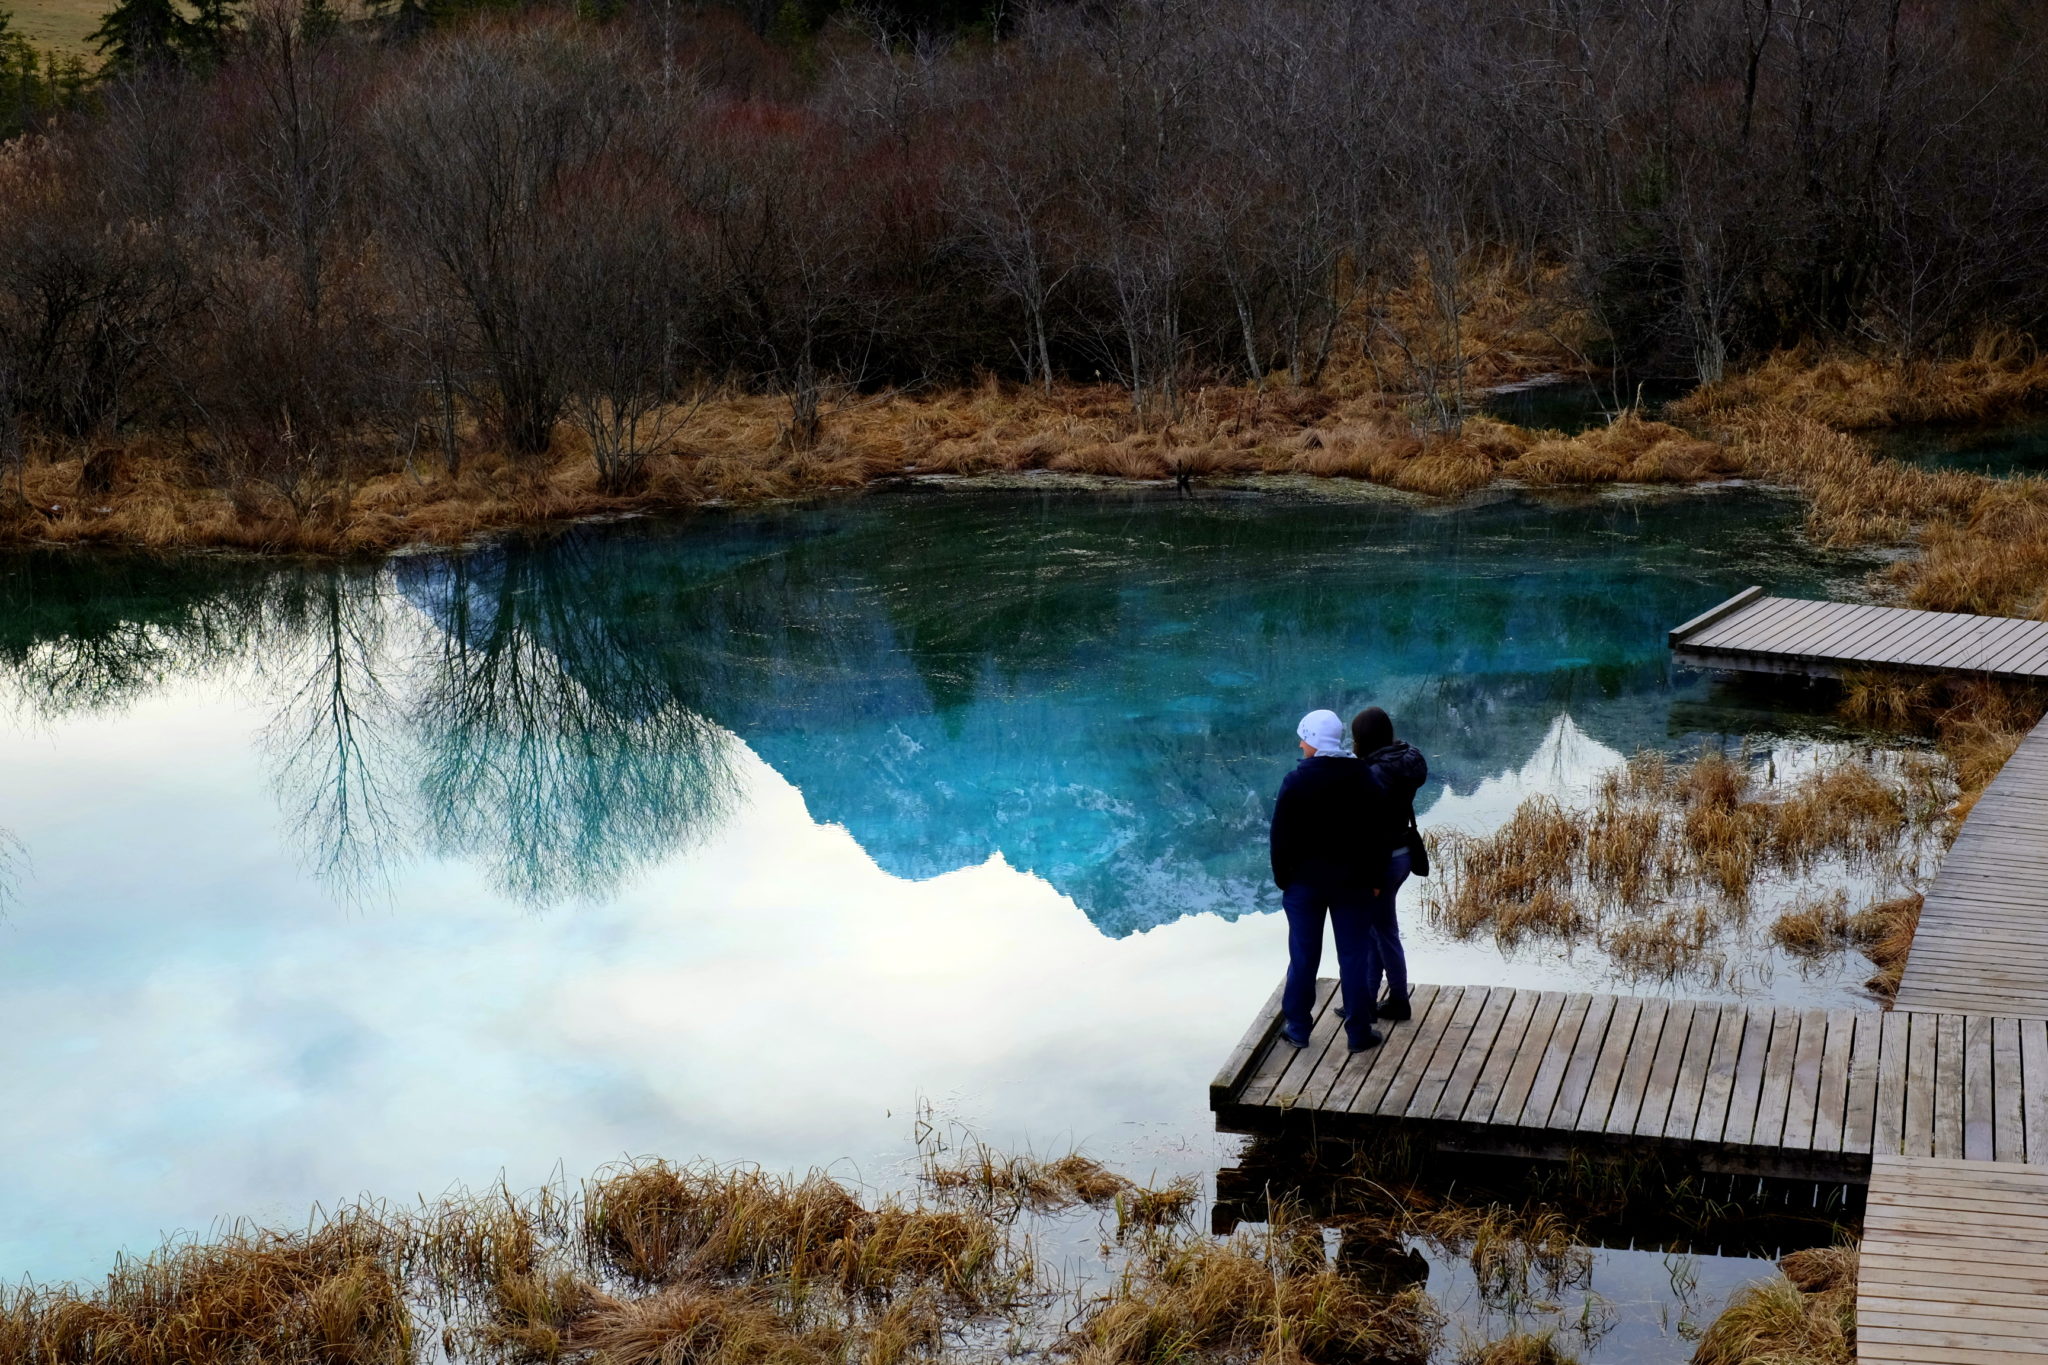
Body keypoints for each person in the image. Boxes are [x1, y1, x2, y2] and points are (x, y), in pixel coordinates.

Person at [1269, 709, 1384, 1052]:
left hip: (1304, 885)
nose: (1301, 744)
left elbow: (1280, 836)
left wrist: (1283, 879)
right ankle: (1359, 1033)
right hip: (1354, 884)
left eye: (1304, 738)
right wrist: (1375, 878)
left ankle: (1299, 1029)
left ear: (1314, 742)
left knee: (1304, 956)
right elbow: (1378, 834)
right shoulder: (1363, 777)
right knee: (1353, 957)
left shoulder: (1296, 781)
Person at [1352, 706, 1428, 1022]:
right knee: (1376, 930)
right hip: (1403, 854)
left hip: (1382, 861)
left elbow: (1370, 830)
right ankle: (1368, 999)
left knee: (1384, 932)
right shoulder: (1407, 760)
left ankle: (1399, 1000)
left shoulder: (1373, 774)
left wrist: (1369, 876)